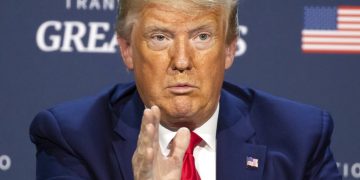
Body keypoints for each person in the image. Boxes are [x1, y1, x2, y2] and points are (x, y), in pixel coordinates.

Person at [30, 0, 342, 179]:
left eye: (202, 37)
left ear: (230, 49)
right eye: (160, 37)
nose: (181, 61)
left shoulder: (300, 139)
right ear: (126, 50)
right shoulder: (73, 138)